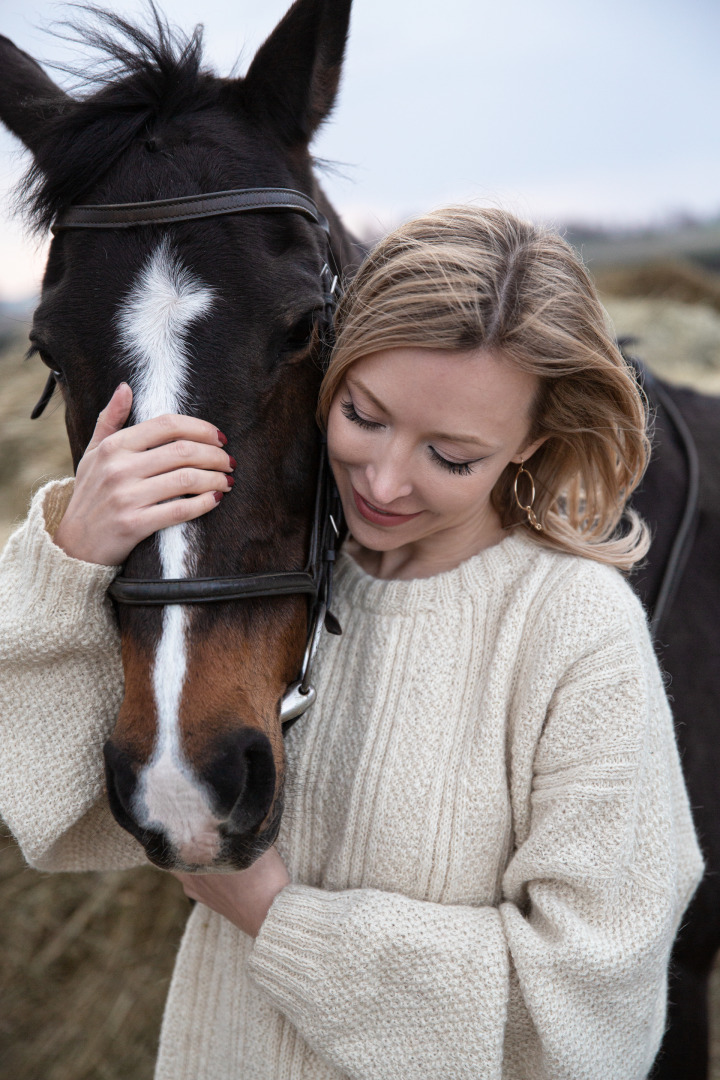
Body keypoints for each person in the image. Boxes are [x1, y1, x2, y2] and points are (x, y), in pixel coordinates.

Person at [0, 206, 703, 1079]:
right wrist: (70, 552)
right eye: (365, 416)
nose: (382, 481)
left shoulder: (575, 631)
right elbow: (62, 818)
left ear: (533, 443)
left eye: (451, 457)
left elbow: (592, 1016)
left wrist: (277, 916)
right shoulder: (277, 569)